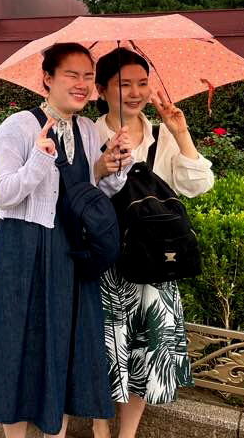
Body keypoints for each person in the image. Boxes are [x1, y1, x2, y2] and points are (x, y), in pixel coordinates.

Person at [0, 42, 132, 438]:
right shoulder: (17, 127)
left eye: (88, 77)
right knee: (20, 347)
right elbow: (3, 194)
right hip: (26, 251)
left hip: (71, 254)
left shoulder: (86, 128)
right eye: (72, 75)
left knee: (64, 348)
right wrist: (39, 159)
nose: (82, 85)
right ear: (47, 78)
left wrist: (113, 165)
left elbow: (90, 190)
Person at [91, 48, 214, 438]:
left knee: (144, 354)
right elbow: (72, 195)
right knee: (103, 351)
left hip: (157, 264)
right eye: (124, 84)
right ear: (101, 89)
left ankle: (127, 432)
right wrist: (103, 165)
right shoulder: (87, 133)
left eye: (142, 83)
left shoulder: (162, 135)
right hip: (106, 264)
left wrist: (180, 132)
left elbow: (197, 186)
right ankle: (99, 425)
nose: (135, 92)